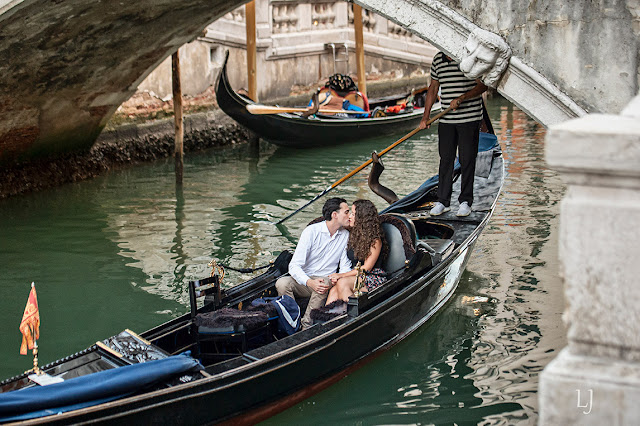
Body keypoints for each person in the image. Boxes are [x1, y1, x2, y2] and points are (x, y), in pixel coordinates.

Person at [419, 51, 488, 217]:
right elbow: (433, 88)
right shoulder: (437, 59)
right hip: (446, 120)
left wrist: (463, 97)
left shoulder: (469, 57)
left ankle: (465, 202)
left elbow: (483, 85)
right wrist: (425, 117)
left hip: (470, 118)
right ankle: (443, 201)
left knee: (467, 160)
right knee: (446, 160)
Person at [276, 197, 352, 330]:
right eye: (346, 212)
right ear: (335, 215)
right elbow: (294, 266)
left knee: (323, 282)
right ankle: (292, 321)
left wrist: (338, 277)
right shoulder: (311, 232)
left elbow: (345, 265)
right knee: (281, 283)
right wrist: (309, 282)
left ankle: (306, 327)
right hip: (305, 281)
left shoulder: (345, 235)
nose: (349, 215)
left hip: (325, 280)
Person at [325, 199, 388, 304]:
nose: (349, 216)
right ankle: (322, 318)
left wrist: (341, 275)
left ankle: (352, 315)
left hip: (372, 277)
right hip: (355, 276)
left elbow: (367, 268)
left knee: (342, 283)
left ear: (361, 218)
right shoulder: (353, 234)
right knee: (334, 290)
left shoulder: (375, 240)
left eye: (353, 214)